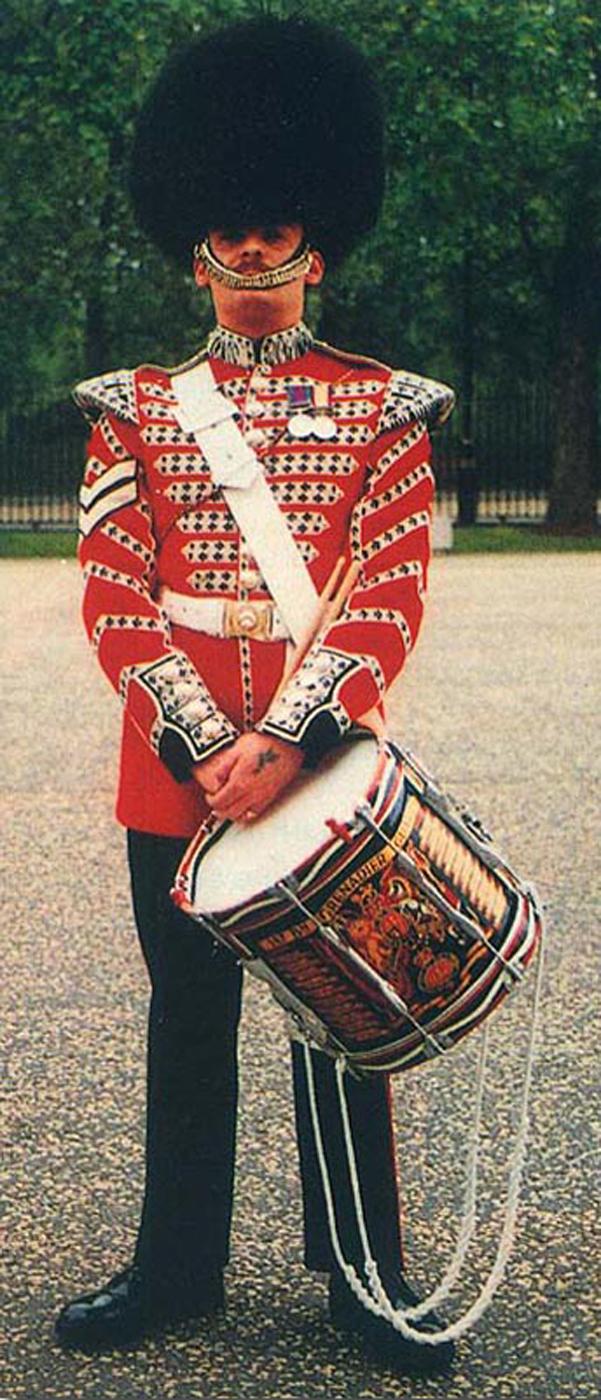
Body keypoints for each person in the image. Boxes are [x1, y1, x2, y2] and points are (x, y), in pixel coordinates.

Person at [54, 16, 455, 1375]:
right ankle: (177, 1269)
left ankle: (364, 1272)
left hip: (323, 763)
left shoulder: (386, 411)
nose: (252, 250)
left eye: (276, 228)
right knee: (188, 1019)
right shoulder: (135, 412)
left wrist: (285, 739)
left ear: (316, 248)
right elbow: (116, 596)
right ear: (196, 251)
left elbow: (387, 593)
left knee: (344, 1019)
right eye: (229, 229)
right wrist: (205, 742)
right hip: (175, 768)